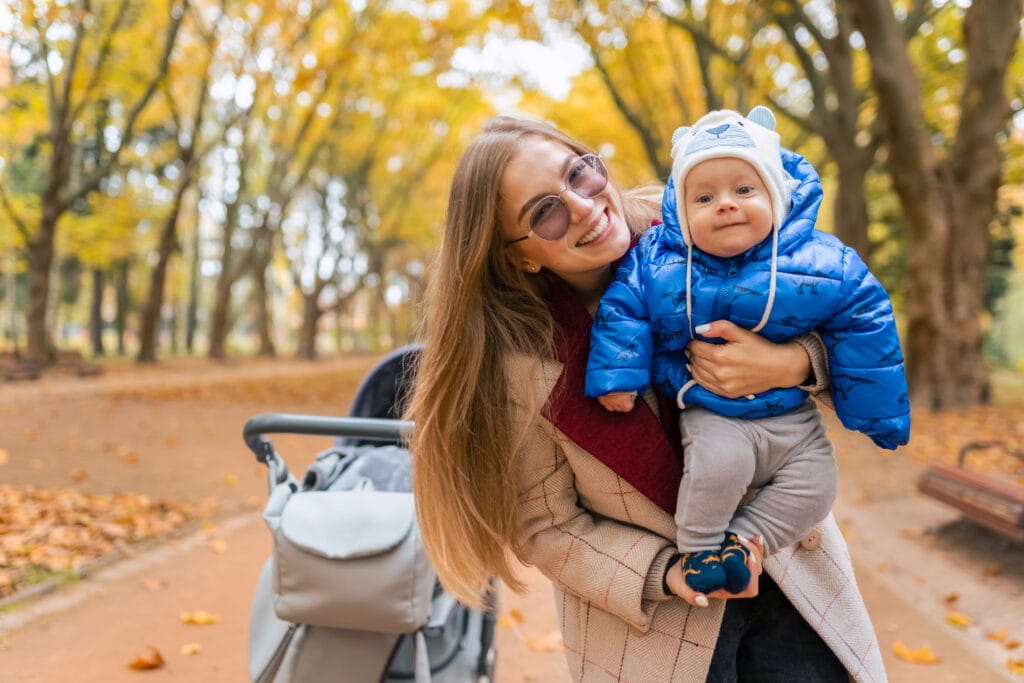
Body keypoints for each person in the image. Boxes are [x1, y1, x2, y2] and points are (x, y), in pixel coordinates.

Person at [407, 114, 886, 681]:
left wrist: (797, 362)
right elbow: (546, 527)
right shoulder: (517, 366)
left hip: (793, 578)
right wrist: (665, 572)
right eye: (545, 212)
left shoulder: (708, 225)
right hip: (656, 635)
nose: (582, 205)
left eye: (579, 173)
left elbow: (855, 324)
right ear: (519, 256)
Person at [585, 107, 910, 596]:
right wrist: (617, 376)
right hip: (715, 412)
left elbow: (865, 317)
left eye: (744, 190)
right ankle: (699, 550)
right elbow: (624, 308)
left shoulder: (822, 260)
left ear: (775, 194)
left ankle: (741, 543)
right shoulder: (658, 261)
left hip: (793, 420)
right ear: (680, 211)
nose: (725, 205)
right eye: (704, 197)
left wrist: (878, 412)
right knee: (717, 469)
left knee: (818, 485)